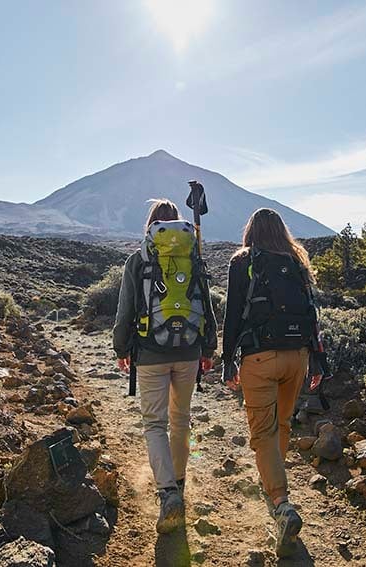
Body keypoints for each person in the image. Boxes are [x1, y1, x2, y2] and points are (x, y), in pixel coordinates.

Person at [221, 208, 324, 558]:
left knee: (261, 432)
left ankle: (281, 504)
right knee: (281, 425)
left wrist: (226, 361)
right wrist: (318, 360)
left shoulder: (244, 260)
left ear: (251, 231)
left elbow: (233, 313)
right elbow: (312, 312)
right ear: (281, 231)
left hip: (259, 358)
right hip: (298, 355)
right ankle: (273, 487)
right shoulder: (296, 260)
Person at [113, 198, 218, 534]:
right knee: (181, 420)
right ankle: (181, 484)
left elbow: (124, 310)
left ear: (151, 226)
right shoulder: (194, 255)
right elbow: (208, 303)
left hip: (149, 352)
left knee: (155, 424)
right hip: (188, 351)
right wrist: (209, 347)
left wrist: (120, 347)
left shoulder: (138, 259)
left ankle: (167, 492)